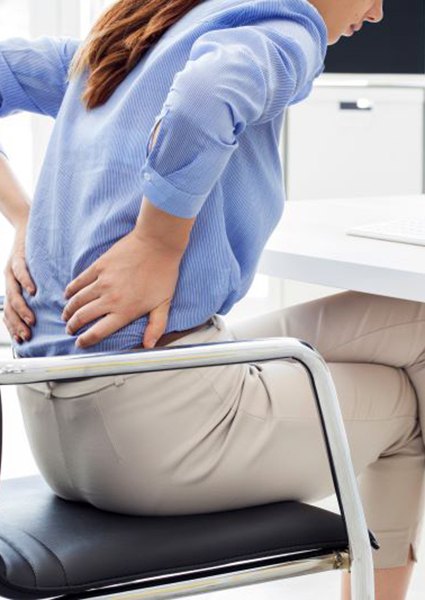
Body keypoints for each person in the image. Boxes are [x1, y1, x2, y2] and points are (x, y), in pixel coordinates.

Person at [2, 0, 424, 598]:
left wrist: (26, 219)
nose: (379, 11)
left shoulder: (135, 38)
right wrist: (157, 241)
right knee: (406, 407)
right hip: (152, 431)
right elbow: (208, 93)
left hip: (62, 419)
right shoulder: (287, 24)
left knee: (416, 324)